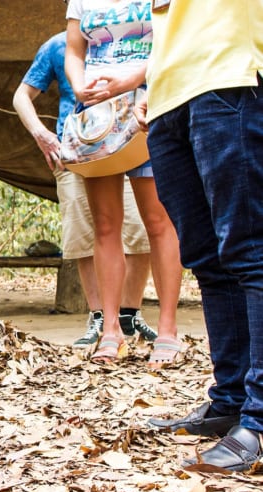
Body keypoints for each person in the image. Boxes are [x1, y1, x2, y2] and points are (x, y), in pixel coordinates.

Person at [135, 0, 263, 472]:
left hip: (229, 77)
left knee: (251, 251)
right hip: (167, 100)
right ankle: (230, 399)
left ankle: (260, 421)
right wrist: (148, 83)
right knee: (208, 260)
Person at [12, 31, 156, 349]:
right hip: (78, 150)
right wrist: (42, 134)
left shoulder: (131, 33)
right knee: (83, 235)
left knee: (141, 232)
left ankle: (130, 312)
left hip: (129, 145)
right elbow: (21, 96)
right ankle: (99, 317)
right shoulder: (56, 46)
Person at [64, 0, 183, 367]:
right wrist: (78, 85)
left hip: (148, 105)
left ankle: (167, 329)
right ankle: (111, 329)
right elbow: (73, 49)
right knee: (104, 223)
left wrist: (135, 79)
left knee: (158, 220)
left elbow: (174, 39)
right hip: (98, 116)